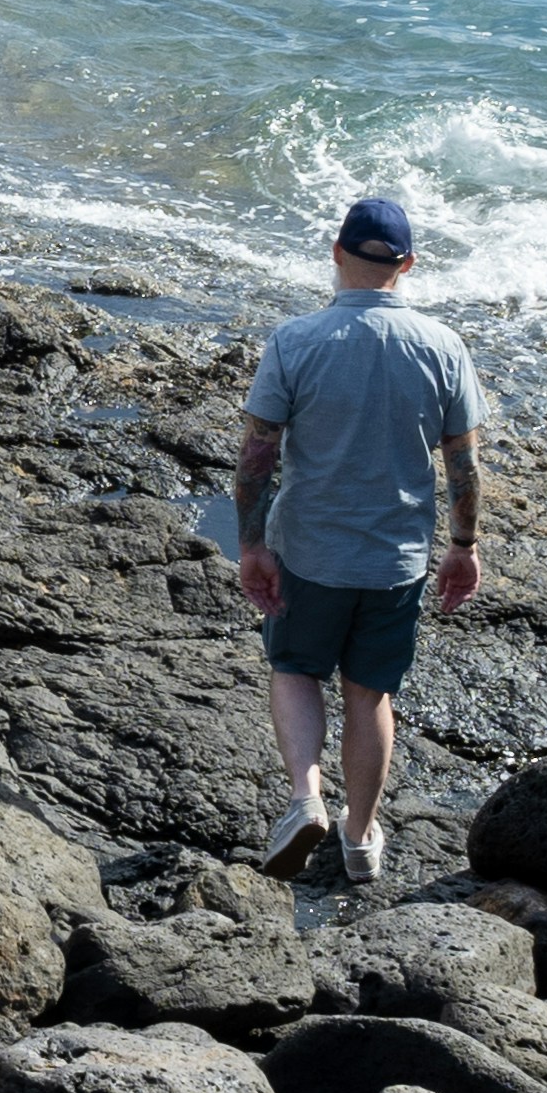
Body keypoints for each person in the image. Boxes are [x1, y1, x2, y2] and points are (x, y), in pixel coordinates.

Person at [224, 188, 486, 887]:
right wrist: (463, 545)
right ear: (408, 265)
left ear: (336, 254)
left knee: (294, 669)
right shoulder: (443, 346)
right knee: (370, 695)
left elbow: (256, 458)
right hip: (394, 560)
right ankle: (362, 836)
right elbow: (462, 463)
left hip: (309, 551)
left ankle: (306, 799)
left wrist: (251, 544)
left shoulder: (296, 340)